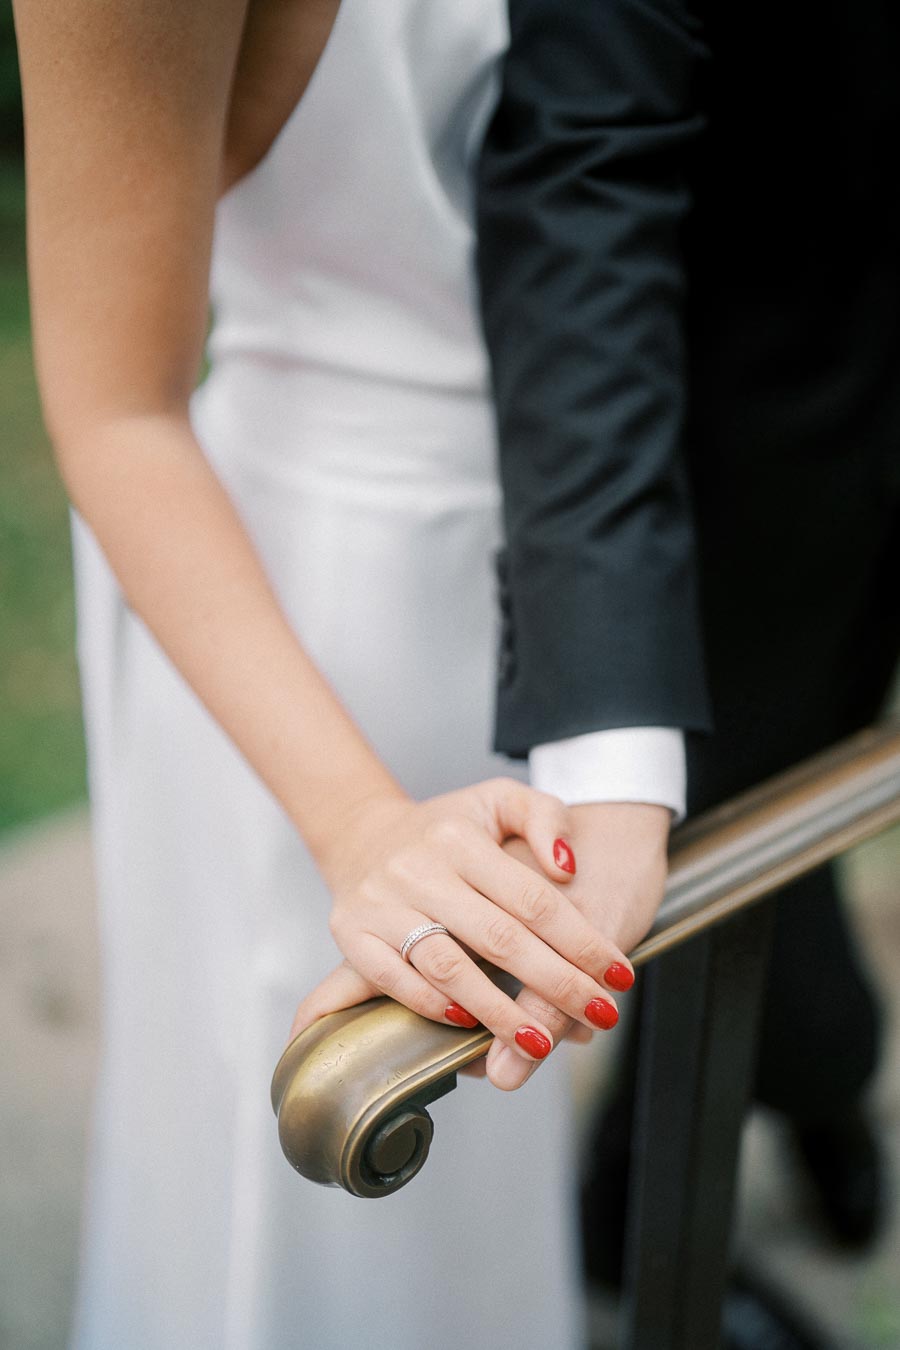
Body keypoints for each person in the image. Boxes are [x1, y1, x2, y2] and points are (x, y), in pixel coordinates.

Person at [14, 2, 685, 1348]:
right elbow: (113, 406)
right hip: (309, 638)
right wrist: (362, 824)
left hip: (557, 580)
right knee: (292, 1232)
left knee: (468, 1215)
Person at [476, 0, 900, 1341]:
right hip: (731, 473)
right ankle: (734, 1133)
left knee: (820, 792)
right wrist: (610, 720)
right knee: (720, 858)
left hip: (864, 438)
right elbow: (585, 175)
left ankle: (803, 1081)